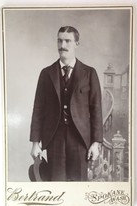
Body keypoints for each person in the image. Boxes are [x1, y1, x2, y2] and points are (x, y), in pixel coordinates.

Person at [30, 26, 103, 181]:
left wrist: (96, 143)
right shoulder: (46, 73)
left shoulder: (89, 73)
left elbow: (96, 109)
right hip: (54, 139)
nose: (62, 45)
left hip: (80, 139)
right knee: (57, 185)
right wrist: (35, 143)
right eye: (60, 40)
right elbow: (38, 109)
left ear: (77, 44)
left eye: (67, 41)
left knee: (78, 186)